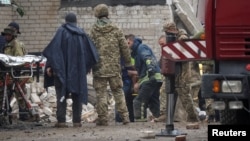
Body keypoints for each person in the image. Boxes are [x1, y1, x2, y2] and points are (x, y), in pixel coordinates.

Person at [43, 12, 99, 128]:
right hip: (78, 72)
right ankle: (77, 121)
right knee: (77, 95)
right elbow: (91, 53)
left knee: (61, 95)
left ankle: (61, 121)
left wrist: (50, 66)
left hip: (62, 71)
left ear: (66, 21)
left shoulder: (61, 32)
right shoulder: (82, 34)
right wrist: (86, 67)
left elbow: (54, 51)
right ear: (75, 21)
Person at [89, 4, 132, 126]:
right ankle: (125, 117)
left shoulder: (93, 30)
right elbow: (124, 47)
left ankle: (103, 119)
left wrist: (89, 65)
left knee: (101, 93)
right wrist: (128, 62)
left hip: (99, 68)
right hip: (114, 67)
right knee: (118, 91)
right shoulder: (116, 28)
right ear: (107, 13)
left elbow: (89, 48)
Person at [163, 22, 201, 129]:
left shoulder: (182, 38)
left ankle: (193, 116)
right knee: (176, 93)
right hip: (177, 71)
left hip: (183, 72)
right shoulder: (175, 37)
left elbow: (183, 53)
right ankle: (174, 117)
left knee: (185, 95)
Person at [126, 34, 163, 122]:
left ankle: (140, 123)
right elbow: (140, 68)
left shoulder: (141, 47)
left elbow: (147, 58)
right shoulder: (135, 53)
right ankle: (158, 119)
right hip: (156, 78)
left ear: (130, 41)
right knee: (153, 102)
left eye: (126, 43)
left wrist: (150, 68)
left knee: (138, 102)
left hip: (150, 78)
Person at [0, 26, 31, 121]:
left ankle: (25, 115)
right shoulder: (7, 44)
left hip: (16, 73)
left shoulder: (15, 45)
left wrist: (12, 67)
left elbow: (19, 60)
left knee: (20, 94)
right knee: (5, 94)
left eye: (8, 35)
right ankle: (6, 113)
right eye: (6, 35)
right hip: (9, 73)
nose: (6, 37)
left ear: (13, 35)